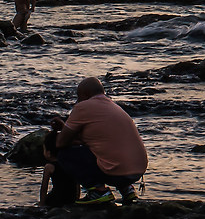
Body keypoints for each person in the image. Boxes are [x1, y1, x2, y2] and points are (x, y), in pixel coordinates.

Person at [46, 77, 147, 208]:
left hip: (117, 172)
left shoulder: (83, 107)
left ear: (85, 94)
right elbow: (96, 140)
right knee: (105, 151)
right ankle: (127, 190)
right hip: (137, 170)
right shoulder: (114, 107)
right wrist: (65, 127)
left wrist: (64, 130)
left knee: (65, 154)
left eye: (78, 97)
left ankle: (99, 191)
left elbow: (61, 142)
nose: (77, 101)